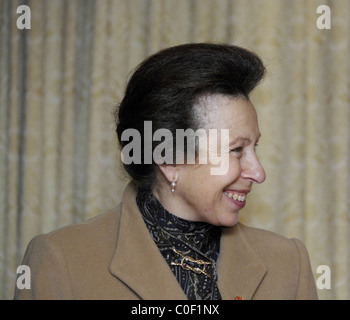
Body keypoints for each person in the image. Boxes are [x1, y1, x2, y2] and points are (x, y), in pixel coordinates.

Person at [14, 43, 318, 300]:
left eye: (255, 148)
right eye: (236, 150)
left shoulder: (288, 264)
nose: (258, 172)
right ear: (170, 159)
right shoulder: (61, 261)